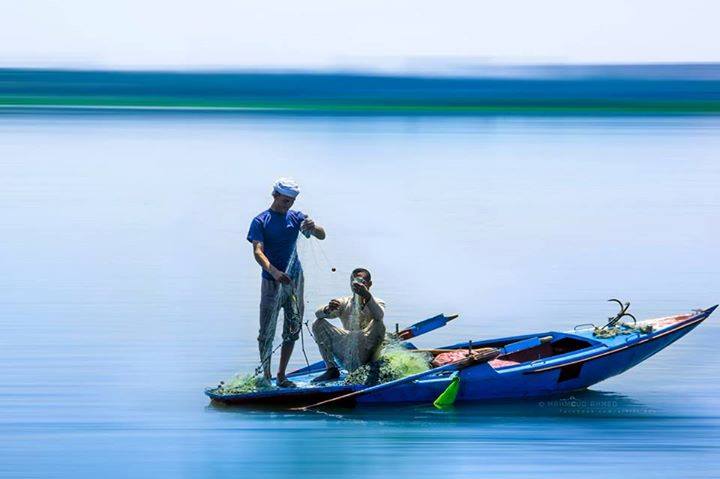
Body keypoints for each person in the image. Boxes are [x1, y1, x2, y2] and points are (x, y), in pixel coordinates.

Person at [247, 178, 326, 388]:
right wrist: (274, 272)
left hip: (294, 280)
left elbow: (321, 235)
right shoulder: (260, 221)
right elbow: (258, 252)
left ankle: (281, 375)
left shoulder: (296, 217)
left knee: (293, 328)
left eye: (291, 201)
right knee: (266, 332)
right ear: (274, 195)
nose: (287, 205)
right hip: (271, 282)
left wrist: (314, 227)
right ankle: (266, 375)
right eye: (284, 200)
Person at [311, 268, 386, 383]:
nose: (357, 285)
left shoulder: (377, 301)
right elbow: (318, 314)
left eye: (362, 282)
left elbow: (379, 315)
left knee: (379, 323)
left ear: (369, 284)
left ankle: (373, 367)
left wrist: (367, 296)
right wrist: (328, 309)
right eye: (354, 281)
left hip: (368, 350)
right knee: (318, 323)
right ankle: (331, 369)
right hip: (349, 350)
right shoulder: (344, 302)